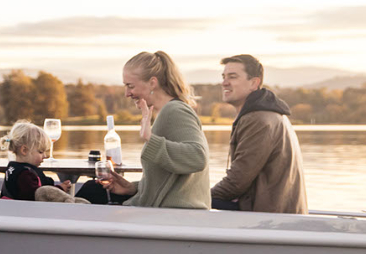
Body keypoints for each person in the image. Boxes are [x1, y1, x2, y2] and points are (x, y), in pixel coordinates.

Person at [77, 51, 210, 209]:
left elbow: (198, 157)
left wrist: (150, 139)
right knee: (93, 188)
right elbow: (167, 177)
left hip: (173, 215)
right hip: (162, 210)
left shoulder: (175, 111)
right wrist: (132, 188)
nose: (127, 93)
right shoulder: (165, 112)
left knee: (89, 192)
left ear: (153, 83)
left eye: (130, 86)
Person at [210, 54, 307, 213]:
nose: (224, 82)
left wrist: (197, 199)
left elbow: (236, 183)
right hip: (280, 218)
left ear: (254, 83)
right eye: (224, 77)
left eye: (232, 77)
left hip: (271, 224)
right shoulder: (270, 114)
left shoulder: (258, 120)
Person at [0, 120, 78, 202]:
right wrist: (60, 188)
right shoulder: (25, 175)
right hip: (25, 211)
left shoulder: (13, 167)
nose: (45, 156)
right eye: (40, 152)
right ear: (24, 150)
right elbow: (38, 195)